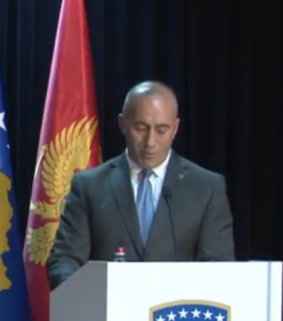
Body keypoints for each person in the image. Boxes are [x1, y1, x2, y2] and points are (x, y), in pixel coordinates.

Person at [46, 81, 235, 290]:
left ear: (175, 128)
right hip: (104, 307)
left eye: (161, 130)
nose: (150, 142)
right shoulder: (89, 187)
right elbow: (64, 260)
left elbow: (219, 269)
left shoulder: (206, 188)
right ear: (123, 124)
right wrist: (83, 297)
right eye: (140, 128)